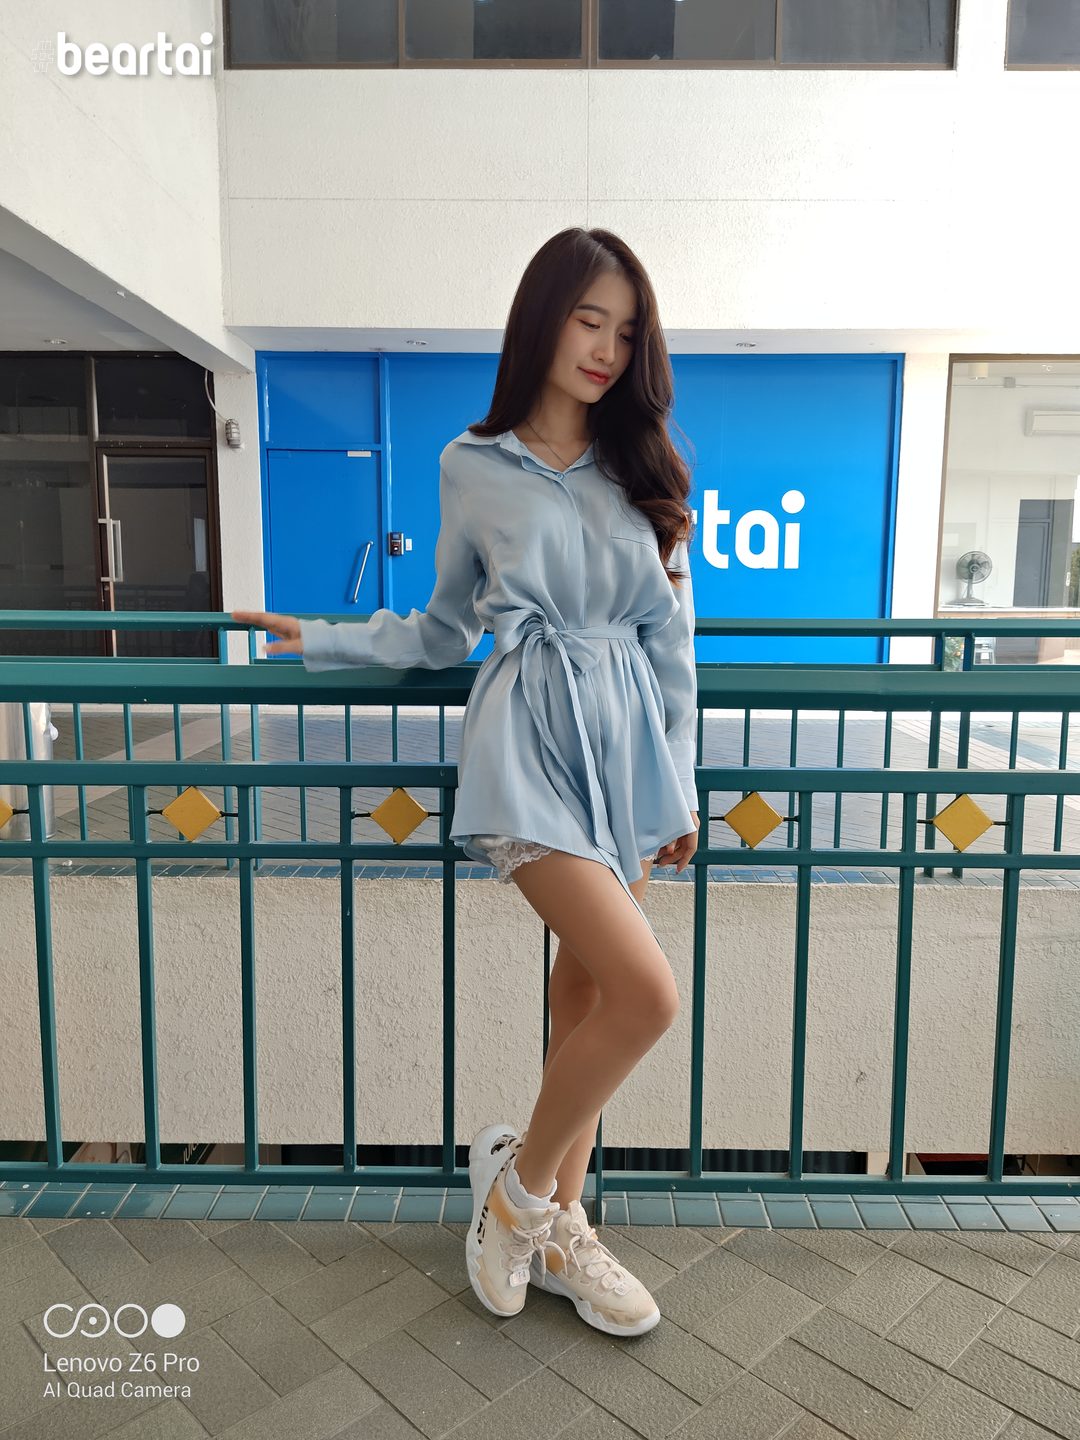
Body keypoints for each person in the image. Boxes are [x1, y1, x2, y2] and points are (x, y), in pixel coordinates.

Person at [233, 226, 699, 1339]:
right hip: (527, 745)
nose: (606, 348)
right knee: (648, 995)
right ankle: (518, 1203)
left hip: (626, 754)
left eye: (625, 331)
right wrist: (324, 638)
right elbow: (444, 629)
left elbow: (672, 638)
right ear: (544, 321)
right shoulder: (472, 463)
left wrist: (676, 781)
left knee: (587, 997)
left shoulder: (644, 466)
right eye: (588, 321)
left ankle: (563, 1231)